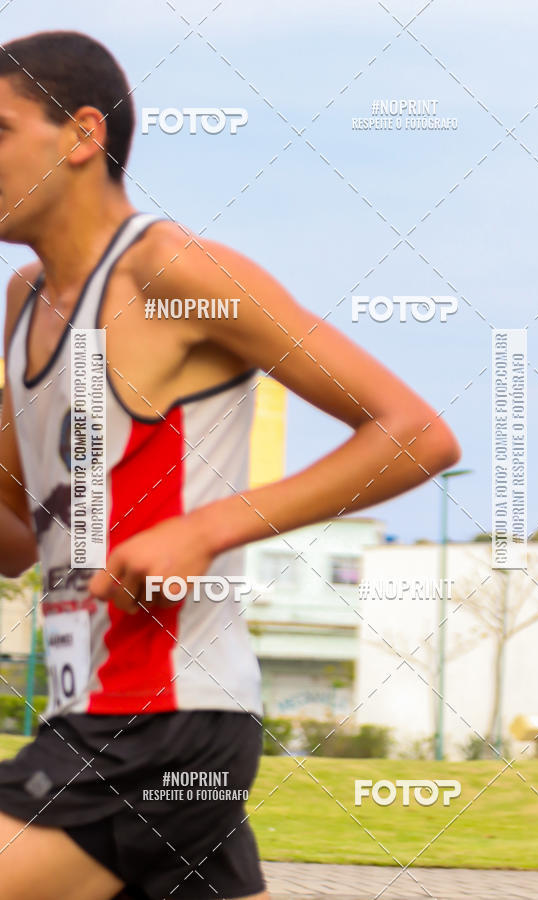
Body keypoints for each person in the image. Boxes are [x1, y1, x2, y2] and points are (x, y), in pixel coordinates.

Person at [0, 29, 461, 900]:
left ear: (80, 134)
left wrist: (206, 528)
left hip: (157, 724)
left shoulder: (169, 272)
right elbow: (18, 537)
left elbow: (413, 433)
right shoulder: (24, 304)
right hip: (107, 720)